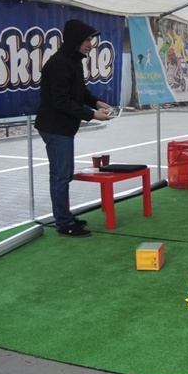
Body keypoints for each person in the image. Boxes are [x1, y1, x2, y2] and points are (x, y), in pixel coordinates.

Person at [35, 19, 112, 238]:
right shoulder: (59, 63)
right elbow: (61, 100)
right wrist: (91, 115)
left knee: (61, 175)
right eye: (87, 40)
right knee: (61, 176)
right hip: (55, 128)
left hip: (62, 128)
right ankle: (64, 223)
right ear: (75, 40)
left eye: (91, 40)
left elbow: (80, 90)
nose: (90, 44)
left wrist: (96, 102)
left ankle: (64, 217)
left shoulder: (73, 60)